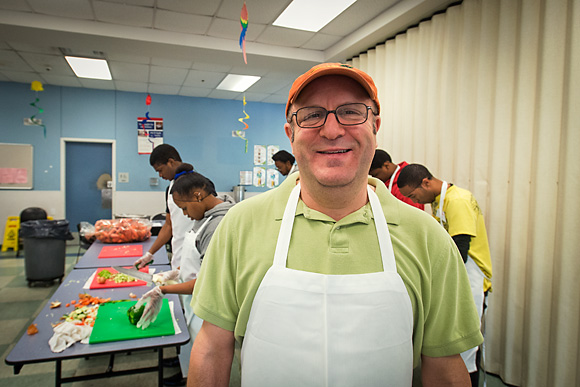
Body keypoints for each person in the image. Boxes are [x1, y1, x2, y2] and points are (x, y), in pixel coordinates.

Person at [189, 63, 482, 386]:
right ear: (291, 133)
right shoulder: (240, 226)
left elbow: (443, 368)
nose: (331, 131)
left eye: (351, 112)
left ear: (375, 126)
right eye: (312, 115)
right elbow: (213, 348)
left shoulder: (427, 239)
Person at [135, 165, 236, 386]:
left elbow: (208, 280)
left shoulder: (219, 224)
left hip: (210, 308)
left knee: (208, 363)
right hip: (194, 303)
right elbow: (200, 263)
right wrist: (176, 273)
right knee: (193, 351)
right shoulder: (203, 218)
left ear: (198, 195)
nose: (183, 214)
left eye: (183, 207)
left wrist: (165, 289)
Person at [397, 163, 492, 387]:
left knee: (465, 346)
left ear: (426, 182)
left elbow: (460, 247)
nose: (417, 201)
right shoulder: (440, 200)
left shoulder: (457, 200)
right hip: (460, 275)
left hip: (470, 277)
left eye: (414, 195)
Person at [134, 144, 195, 271]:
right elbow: (169, 225)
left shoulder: (199, 184)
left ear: (171, 162)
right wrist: (149, 253)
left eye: (160, 170)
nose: (160, 175)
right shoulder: (170, 189)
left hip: (197, 255)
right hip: (179, 254)